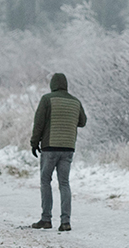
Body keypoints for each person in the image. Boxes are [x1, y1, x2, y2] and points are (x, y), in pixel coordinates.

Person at [30, 72, 87, 232]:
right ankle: (65, 222)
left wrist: (34, 142)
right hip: (68, 147)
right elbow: (82, 122)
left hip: (50, 146)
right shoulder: (75, 101)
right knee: (64, 183)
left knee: (45, 181)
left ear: (52, 85)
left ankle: (46, 219)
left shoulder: (47, 99)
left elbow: (39, 122)